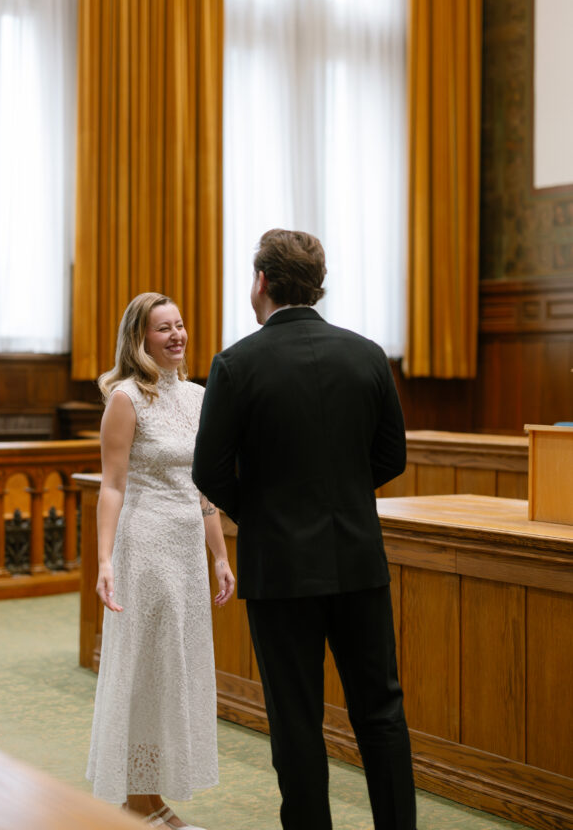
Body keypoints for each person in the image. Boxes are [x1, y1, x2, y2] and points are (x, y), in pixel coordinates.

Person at [192, 229, 417, 830]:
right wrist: (340, 495)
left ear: (261, 282)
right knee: (382, 714)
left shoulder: (235, 364)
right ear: (317, 285)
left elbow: (208, 470)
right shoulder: (367, 353)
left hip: (280, 569)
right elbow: (391, 456)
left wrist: (267, 514)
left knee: (296, 718)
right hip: (358, 561)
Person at [87, 292, 235, 829]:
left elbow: (203, 488)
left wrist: (219, 555)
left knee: (174, 670)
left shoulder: (198, 397)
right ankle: (137, 803)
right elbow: (111, 488)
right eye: (162, 329)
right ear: (140, 338)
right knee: (145, 673)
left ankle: (149, 800)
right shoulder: (125, 399)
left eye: (180, 326)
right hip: (144, 546)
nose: (176, 336)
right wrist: (104, 561)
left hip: (186, 550)